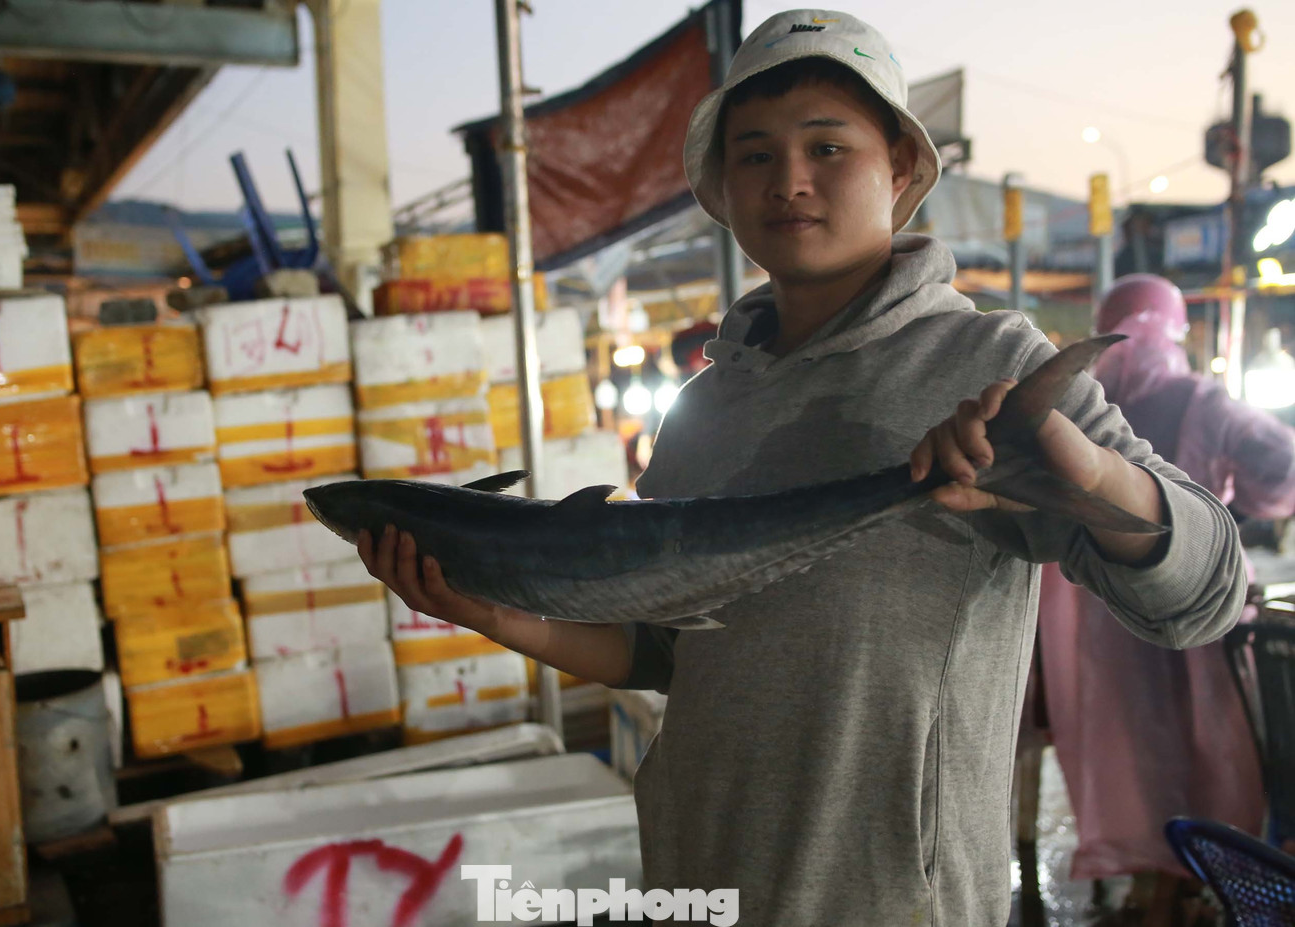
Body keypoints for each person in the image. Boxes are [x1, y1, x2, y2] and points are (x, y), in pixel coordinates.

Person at [358, 13, 1246, 924]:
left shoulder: (990, 363)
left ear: (899, 168)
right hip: (701, 877)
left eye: (828, 147)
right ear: (723, 187)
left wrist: (1089, 473)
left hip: (893, 900)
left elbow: (1209, 592)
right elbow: (670, 646)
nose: (789, 181)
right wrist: (493, 611)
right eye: (754, 156)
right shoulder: (707, 403)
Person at [1035, 274, 1295, 909]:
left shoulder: (1079, 407)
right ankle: (1193, 877)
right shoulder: (1202, 401)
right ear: (1173, 328)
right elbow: (1282, 469)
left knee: (1126, 744)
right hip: (1197, 617)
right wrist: (1237, 503)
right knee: (1205, 741)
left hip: (1100, 623)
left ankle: (1149, 879)